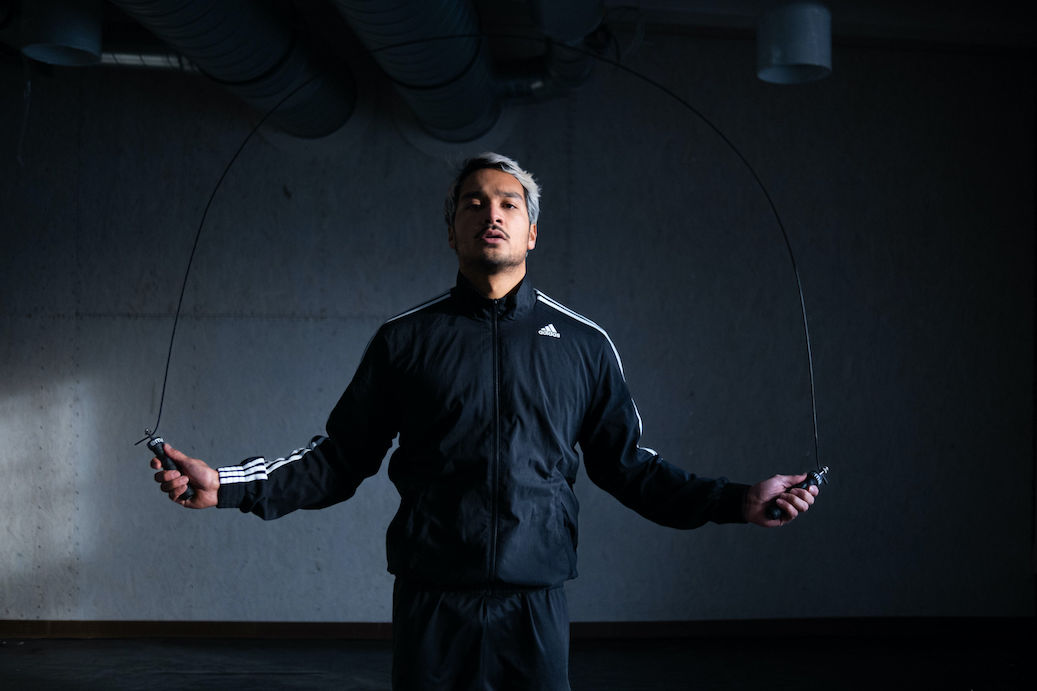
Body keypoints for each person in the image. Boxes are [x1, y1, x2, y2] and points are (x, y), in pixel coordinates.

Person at [151, 152, 820, 690]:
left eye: (508, 203)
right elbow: (338, 458)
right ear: (452, 231)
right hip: (433, 602)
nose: (490, 213)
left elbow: (630, 467)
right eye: (472, 203)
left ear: (531, 231)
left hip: (535, 603)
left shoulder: (584, 345)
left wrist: (736, 500)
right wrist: (226, 484)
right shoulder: (405, 340)